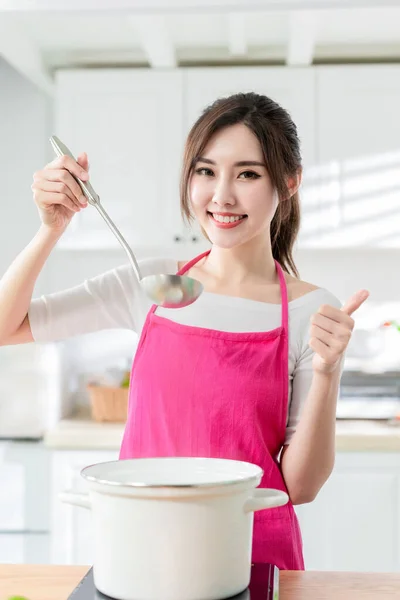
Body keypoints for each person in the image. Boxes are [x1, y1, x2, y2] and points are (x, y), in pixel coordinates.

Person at [0, 92, 368, 570]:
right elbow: (8, 327)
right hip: (142, 546)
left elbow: (301, 487)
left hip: (249, 555)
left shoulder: (310, 310)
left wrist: (328, 369)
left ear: (290, 182)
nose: (222, 195)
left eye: (249, 174)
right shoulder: (150, 284)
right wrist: (52, 228)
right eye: (206, 171)